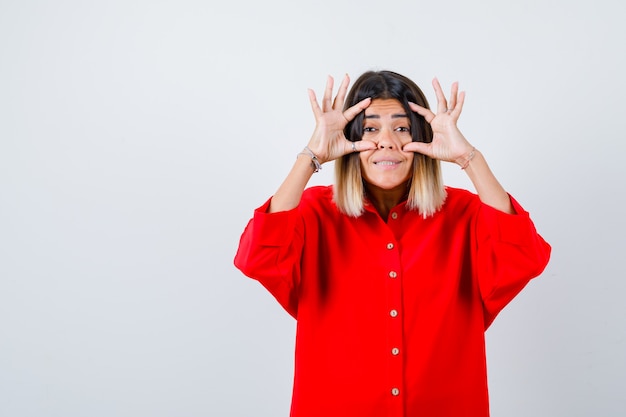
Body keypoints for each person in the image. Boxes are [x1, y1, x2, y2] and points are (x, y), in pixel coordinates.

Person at [234, 70, 551, 417]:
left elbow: (524, 258)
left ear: (423, 140)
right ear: (351, 139)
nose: (387, 141)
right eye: (370, 129)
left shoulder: (465, 214)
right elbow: (256, 257)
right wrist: (311, 156)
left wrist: (468, 159)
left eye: (402, 128)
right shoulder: (312, 213)